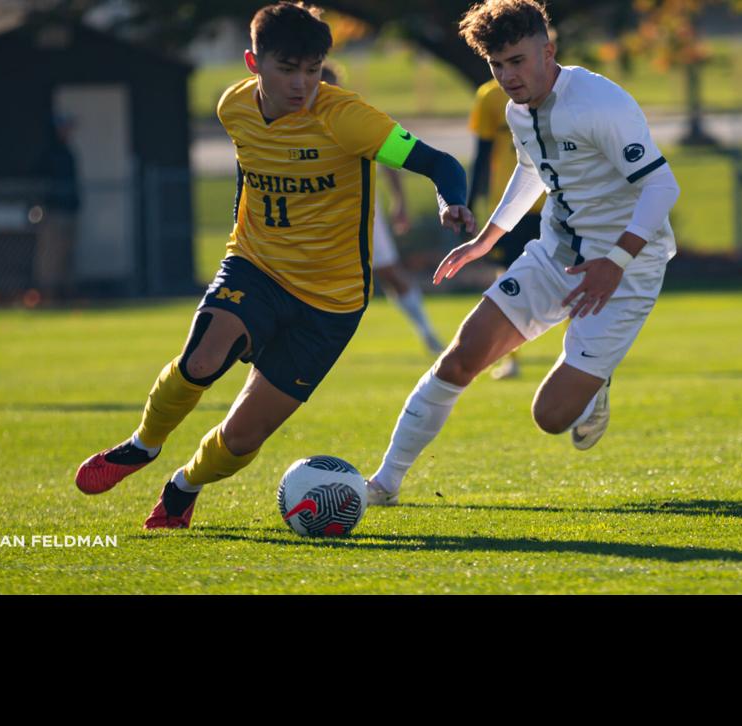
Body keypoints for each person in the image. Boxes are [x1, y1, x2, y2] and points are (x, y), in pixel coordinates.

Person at [72, 2, 472, 529]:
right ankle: (142, 445)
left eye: (311, 70)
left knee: (242, 436)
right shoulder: (232, 107)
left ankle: (182, 486)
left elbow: (440, 162)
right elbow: (252, 168)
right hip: (255, 266)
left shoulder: (347, 117)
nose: (302, 83)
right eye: (287, 69)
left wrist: (451, 201)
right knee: (201, 359)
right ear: (253, 63)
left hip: (331, 303)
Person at [363, 0, 678, 505]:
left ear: (547, 51)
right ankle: (384, 483)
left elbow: (662, 188)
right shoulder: (517, 108)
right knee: (462, 356)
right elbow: (532, 171)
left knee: (550, 417)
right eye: (497, 64)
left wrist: (613, 263)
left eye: (517, 61)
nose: (508, 76)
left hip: (626, 267)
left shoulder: (599, 102)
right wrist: (485, 240)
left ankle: (594, 385)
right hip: (554, 254)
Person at [320, 64, 442, 355]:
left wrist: (399, 203)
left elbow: (390, 160)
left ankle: (427, 333)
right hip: (318, 214)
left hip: (361, 213)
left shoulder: (356, 116)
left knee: (389, 272)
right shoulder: (297, 121)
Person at [468, 75, 543, 379]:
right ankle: (510, 358)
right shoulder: (490, 96)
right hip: (511, 206)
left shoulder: (562, 90)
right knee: (510, 283)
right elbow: (482, 152)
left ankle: (573, 356)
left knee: (572, 278)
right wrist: (471, 200)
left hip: (554, 203)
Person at [33, 113, 81, 303]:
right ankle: (47, 294)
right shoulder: (49, 153)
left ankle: (66, 293)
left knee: (68, 253)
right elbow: (40, 180)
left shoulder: (69, 152)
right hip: (54, 212)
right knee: (50, 255)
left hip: (70, 210)